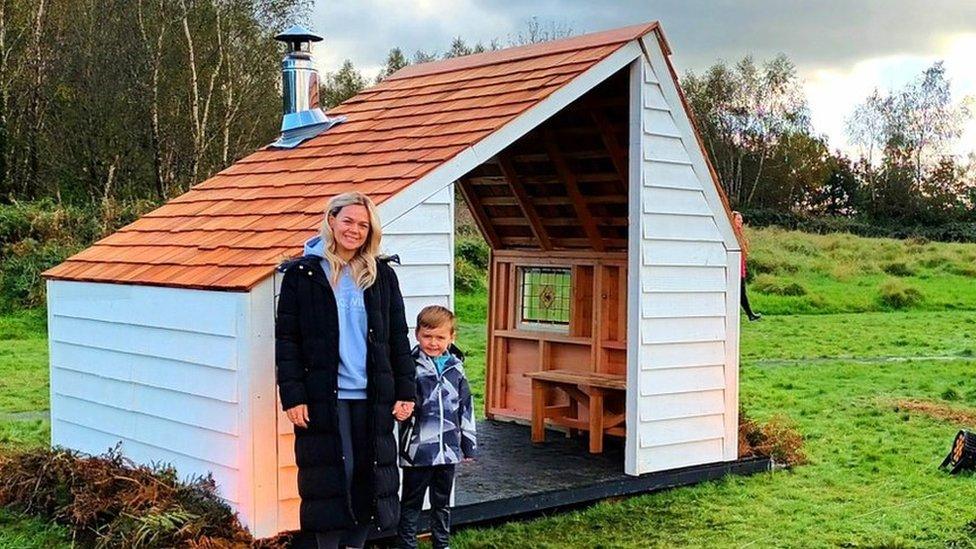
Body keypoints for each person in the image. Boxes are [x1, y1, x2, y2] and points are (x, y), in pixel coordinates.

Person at [275, 192, 416, 549]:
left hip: (373, 396)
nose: (354, 230)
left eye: (363, 225)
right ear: (332, 221)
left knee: (368, 477)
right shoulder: (303, 274)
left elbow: (398, 337)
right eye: (348, 221)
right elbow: (287, 341)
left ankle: (356, 545)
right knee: (334, 476)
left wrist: (406, 391)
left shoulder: (381, 275)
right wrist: (293, 395)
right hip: (325, 395)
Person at [397, 306, 477, 549]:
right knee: (412, 500)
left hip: (448, 450)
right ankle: (406, 544)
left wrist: (468, 444)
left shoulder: (456, 367)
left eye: (440, 337)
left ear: (451, 337)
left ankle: (442, 544)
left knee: (441, 501)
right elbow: (400, 402)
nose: (433, 343)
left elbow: (466, 406)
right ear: (417, 334)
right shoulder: (409, 366)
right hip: (418, 450)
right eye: (427, 336)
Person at [732, 211, 761, 322]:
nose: (741, 221)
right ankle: (750, 314)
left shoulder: (740, 234)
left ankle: (749, 314)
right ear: (733, 220)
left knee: (741, 292)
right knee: (741, 293)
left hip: (741, 266)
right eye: (738, 219)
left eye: (741, 219)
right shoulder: (733, 235)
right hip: (736, 267)